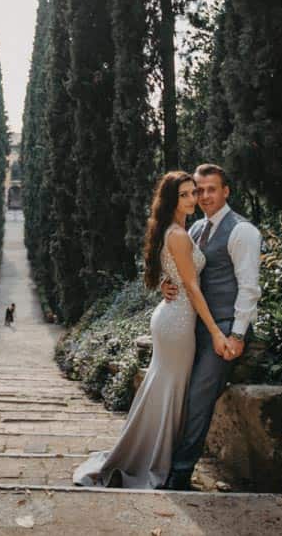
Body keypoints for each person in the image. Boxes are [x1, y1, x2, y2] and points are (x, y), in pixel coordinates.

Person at [72, 171, 227, 489]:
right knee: (169, 392)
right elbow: (193, 288)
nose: (192, 199)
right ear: (172, 199)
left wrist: (164, 284)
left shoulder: (178, 230)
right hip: (178, 323)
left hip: (172, 317)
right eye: (184, 194)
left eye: (193, 193)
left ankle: (145, 455)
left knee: (161, 391)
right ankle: (152, 462)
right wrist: (214, 329)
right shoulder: (180, 234)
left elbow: (168, 273)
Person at [161, 163, 262, 490]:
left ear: (226, 191)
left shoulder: (242, 231)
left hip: (224, 330)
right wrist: (167, 284)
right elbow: (186, 275)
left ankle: (179, 476)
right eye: (198, 190)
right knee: (180, 395)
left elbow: (249, 288)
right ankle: (168, 464)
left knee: (199, 398)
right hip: (194, 327)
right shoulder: (195, 230)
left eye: (211, 189)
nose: (203, 196)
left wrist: (237, 334)